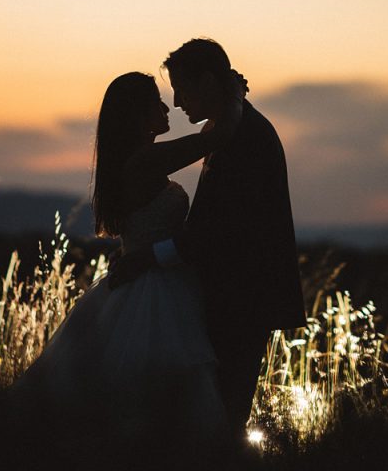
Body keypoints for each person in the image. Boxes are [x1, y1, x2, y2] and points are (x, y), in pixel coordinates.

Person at [10, 70, 243, 459]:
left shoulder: (137, 161)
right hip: (155, 287)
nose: (165, 106)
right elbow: (217, 138)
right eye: (155, 101)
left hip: (151, 275)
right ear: (137, 113)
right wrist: (233, 95)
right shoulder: (146, 160)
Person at [108, 38, 306, 444]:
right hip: (221, 300)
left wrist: (149, 257)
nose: (177, 103)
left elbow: (225, 230)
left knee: (218, 423)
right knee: (201, 424)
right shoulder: (227, 131)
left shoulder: (244, 137)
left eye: (182, 88)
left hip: (242, 301)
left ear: (209, 82)